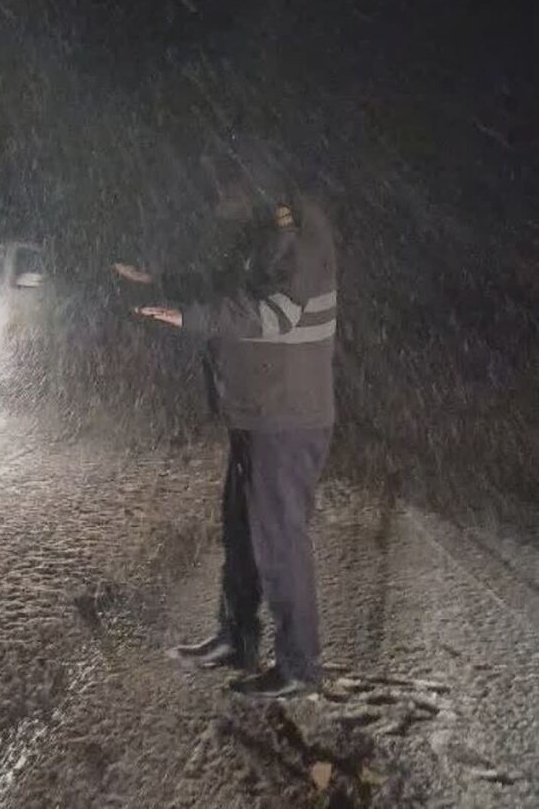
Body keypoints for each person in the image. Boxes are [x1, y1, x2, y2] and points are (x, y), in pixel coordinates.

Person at [113, 143, 338, 698]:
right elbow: (222, 283)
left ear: (259, 185)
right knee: (241, 533)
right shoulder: (268, 229)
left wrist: (191, 316)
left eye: (228, 189)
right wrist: (159, 281)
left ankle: (299, 666)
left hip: (286, 417)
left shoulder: (300, 231)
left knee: (280, 539)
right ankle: (236, 637)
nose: (219, 201)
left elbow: (275, 313)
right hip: (256, 411)